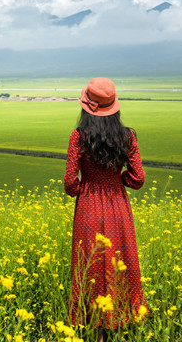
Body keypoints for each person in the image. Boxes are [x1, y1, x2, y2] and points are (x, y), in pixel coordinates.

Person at [64, 77, 149, 340]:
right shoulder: (128, 136)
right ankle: (120, 323)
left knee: (90, 265)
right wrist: (117, 181)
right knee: (121, 263)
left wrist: (85, 188)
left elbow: (69, 182)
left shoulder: (78, 136)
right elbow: (138, 178)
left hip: (88, 208)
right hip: (118, 207)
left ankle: (95, 329)